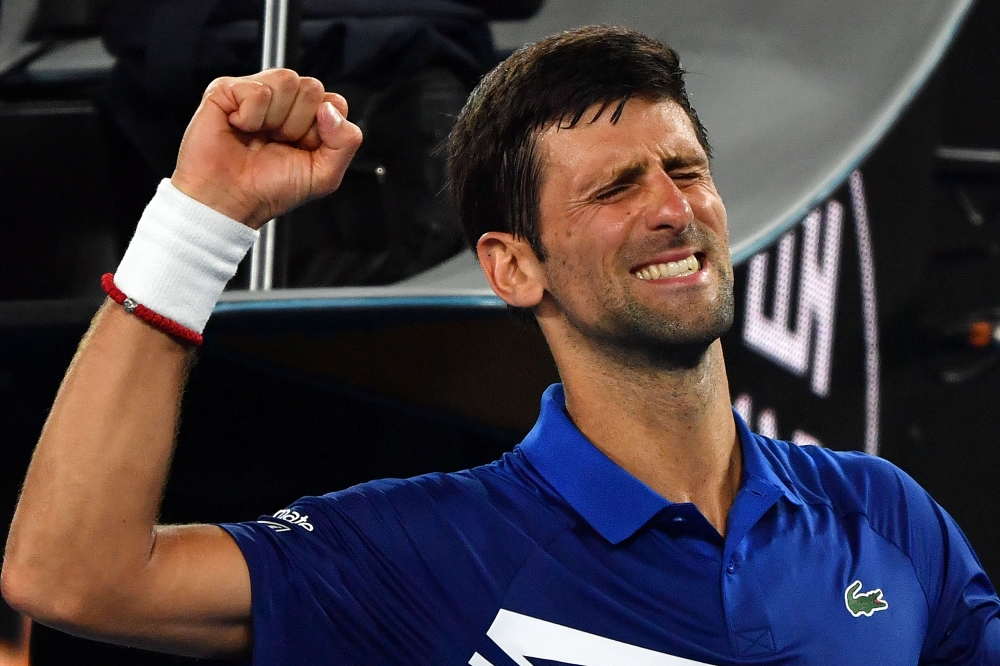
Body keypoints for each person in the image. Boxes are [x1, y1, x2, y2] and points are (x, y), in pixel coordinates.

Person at [2, 25, 999, 665]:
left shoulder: (882, 517)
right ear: (512, 268)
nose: (672, 209)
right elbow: (72, 575)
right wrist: (198, 222)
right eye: (615, 187)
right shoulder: (424, 552)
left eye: (684, 168)